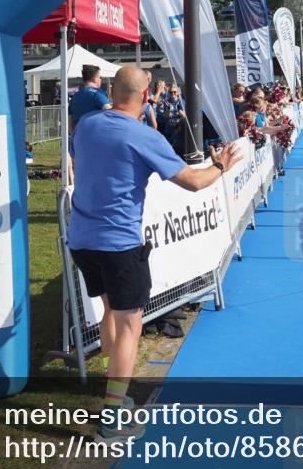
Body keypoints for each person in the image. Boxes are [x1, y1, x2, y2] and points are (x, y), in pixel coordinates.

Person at [67, 66, 242, 441]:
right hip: (118, 243)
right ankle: (112, 416)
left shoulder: (86, 125)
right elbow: (194, 182)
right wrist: (221, 164)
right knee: (131, 324)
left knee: (112, 310)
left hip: (82, 239)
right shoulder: (142, 135)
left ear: (111, 92)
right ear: (146, 97)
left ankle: (115, 389)